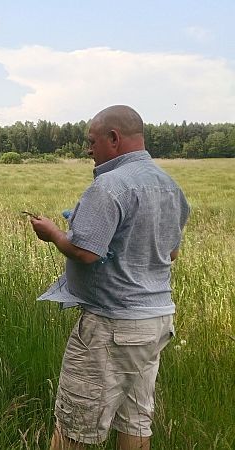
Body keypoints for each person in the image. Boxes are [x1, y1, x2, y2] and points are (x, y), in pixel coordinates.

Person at [29, 105, 190, 450]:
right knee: (135, 420)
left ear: (113, 139)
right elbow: (171, 253)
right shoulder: (170, 186)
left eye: (91, 141)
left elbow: (86, 253)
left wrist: (55, 233)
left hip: (113, 325)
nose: (88, 149)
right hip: (156, 321)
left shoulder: (109, 185)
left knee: (75, 426)